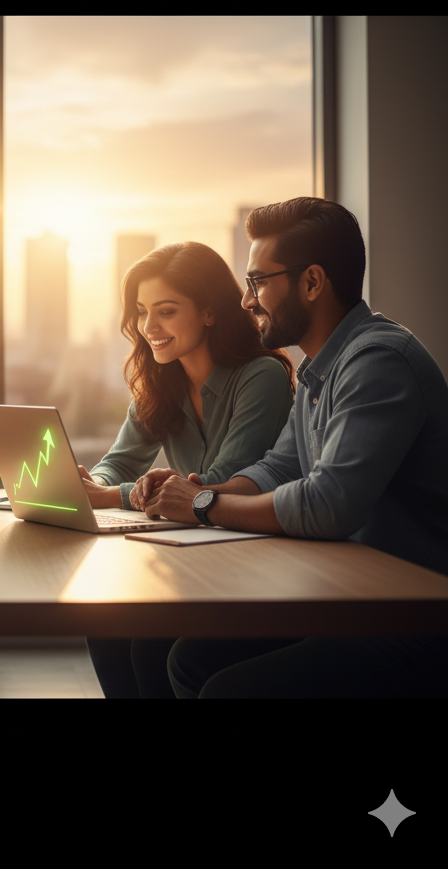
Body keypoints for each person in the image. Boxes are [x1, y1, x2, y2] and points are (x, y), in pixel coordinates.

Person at [141, 198, 448, 698]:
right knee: (177, 655)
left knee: (229, 689)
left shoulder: (378, 361)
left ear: (312, 282)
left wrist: (202, 505)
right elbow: (278, 468)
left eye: (258, 282)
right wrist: (189, 492)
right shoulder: (318, 371)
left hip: (412, 615)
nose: (246, 301)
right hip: (346, 596)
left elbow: (327, 505)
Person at [83, 241, 295, 698]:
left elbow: (223, 481)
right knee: (104, 627)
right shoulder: (160, 381)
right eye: (142, 312)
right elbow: (119, 462)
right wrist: (91, 484)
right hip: (193, 555)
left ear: (209, 312)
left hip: (256, 561)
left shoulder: (261, 375)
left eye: (165, 311)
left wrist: (111, 496)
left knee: (149, 647)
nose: (148, 327)